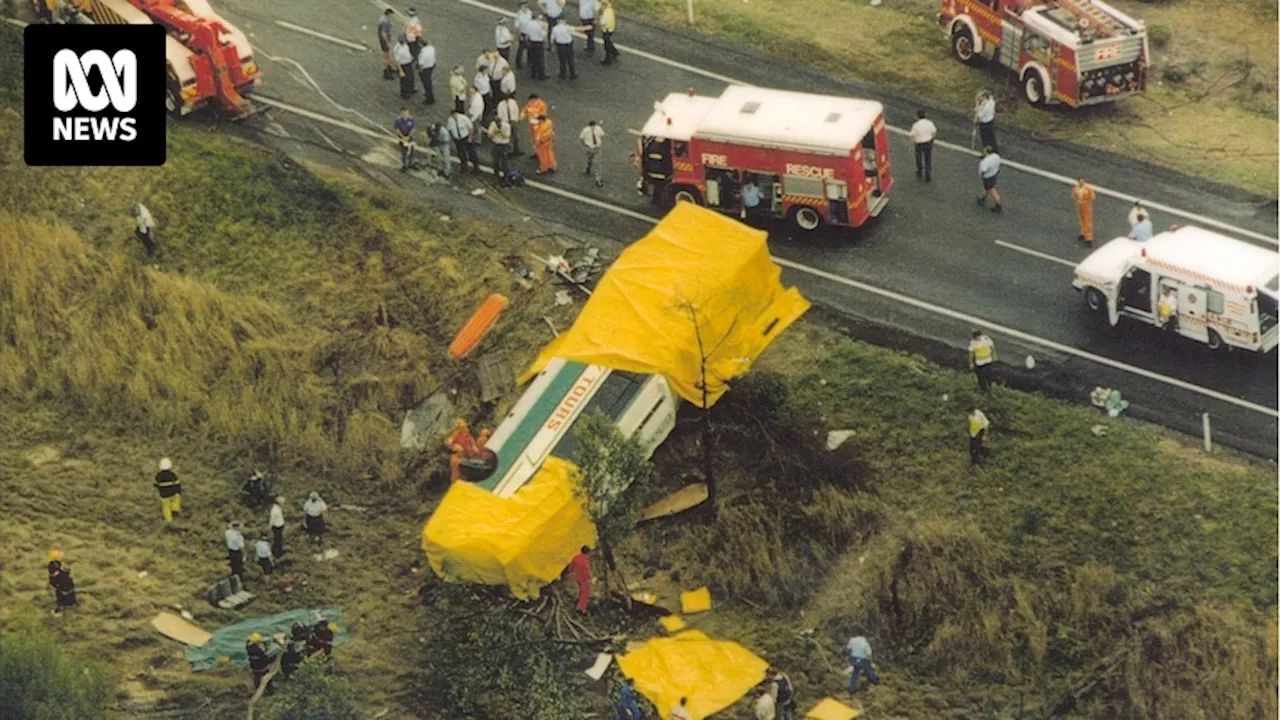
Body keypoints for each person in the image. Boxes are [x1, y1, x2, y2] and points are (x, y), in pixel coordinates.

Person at [908, 109, 937, 182]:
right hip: (928, 143)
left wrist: (910, 145)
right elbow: (934, 132)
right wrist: (932, 140)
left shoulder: (916, 125)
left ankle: (919, 169)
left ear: (917, 116)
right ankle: (928, 174)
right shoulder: (930, 123)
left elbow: (913, 137)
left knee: (918, 157)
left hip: (919, 145)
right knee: (928, 159)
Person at [447, 108, 478, 174]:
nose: (454, 117)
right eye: (452, 115)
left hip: (465, 138)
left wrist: (470, 138)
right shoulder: (450, 120)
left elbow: (471, 128)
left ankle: (476, 167)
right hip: (458, 140)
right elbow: (450, 130)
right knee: (461, 154)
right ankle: (464, 167)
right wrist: (453, 139)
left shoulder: (464, 118)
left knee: (471, 153)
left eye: (455, 115)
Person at [154, 456, 182, 523]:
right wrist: (178, 492)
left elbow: (156, 484)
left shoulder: (158, 475)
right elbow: (177, 484)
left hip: (164, 496)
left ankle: (168, 519)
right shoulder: (172, 475)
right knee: (176, 499)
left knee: (166, 507)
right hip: (173, 494)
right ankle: (175, 508)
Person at [976, 146, 1002, 212]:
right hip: (994, 174)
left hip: (988, 177)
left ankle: (998, 204)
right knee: (988, 188)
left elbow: (983, 171)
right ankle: (983, 197)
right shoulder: (996, 156)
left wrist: (981, 176)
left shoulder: (985, 162)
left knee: (991, 189)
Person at [487, 118, 513, 183]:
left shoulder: (506, 125)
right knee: (495, 161)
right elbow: (489, 135)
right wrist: (495, 132)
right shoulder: (493, 125)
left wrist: (501, 131)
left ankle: (506, 176)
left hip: (504, 145)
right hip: (496, 144)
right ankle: (496, 174)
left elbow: (507, 136)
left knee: (504, 162)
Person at [579, 119, 604, 187]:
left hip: (596, 148)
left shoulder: (598, 129)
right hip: (589, 148)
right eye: (591, 127)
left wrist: (599, 144)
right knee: (589, 160)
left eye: (594, 126)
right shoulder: (585, 130)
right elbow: (581, 138)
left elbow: (602, 135)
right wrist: (584, 146)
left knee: (597, 163)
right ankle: (588, 167)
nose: (593, 128)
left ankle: (598, 179)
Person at [524, 11, 548, 80]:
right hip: (539, 43)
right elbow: (543, 35)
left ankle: (533, 74)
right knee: (540, 60)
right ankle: (541, 75)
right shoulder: (538, 26)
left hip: (531, 42)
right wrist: (545, 28)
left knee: (533, 59)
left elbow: (527, 35)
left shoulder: (528, 24)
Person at [1072, 176, 1096, 245]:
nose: (1081, 182)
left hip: (1086, 205)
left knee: (1087, 220)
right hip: (1079, 204)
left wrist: (1087, 201)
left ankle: (1088, 237)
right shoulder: (1076, 188)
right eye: (1080, 181)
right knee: (1082, 219)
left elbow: (1092, 196)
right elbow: (1074, 195)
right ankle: (1083, 232)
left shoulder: (1087, 188)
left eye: (1082, 181)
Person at [497, 92, 522, 156]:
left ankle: (517, 150)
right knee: (508, 137)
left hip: (513, 121)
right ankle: (509, 151)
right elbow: (500, 115)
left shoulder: (513, 102)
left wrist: (516, 119)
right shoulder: (500, 105)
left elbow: (516, 110)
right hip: (506, 122)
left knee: (516, 136)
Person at [392, 34, 416, 100]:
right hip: (403, 65)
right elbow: (397, 61)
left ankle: (411, 89)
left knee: (411, 76)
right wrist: (401, 71)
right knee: (404, 80)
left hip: (408, 62)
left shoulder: (405, 45)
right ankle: (404, 93)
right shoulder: (398, 50)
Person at [568, 545, 591, 612]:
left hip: (577, 577)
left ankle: (579, 601)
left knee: (581, 590)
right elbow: (586, 571)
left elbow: (570, 568)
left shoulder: (575, 557)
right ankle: (581, 608)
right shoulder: (585, 561)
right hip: (583, 578)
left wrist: (573, 572)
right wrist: (590, 578)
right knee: (585, 592)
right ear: (587, 553)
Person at [394, 106, 417, 171]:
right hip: (402, 137)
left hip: (410, 137)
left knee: (412, 151)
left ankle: (411, 164)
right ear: (401, 113)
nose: (405, 114)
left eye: (407, 113)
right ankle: (405, 165)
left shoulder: (412, 119)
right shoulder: (398, 120)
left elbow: (413, 129)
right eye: (404, 113)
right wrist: (403, 137)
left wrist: (408, 136)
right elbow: (397, 129)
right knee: (404, 152)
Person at [514, 1, 534, 70]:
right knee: (521, 49)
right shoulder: (518, 15)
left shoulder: (529, 12)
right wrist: (519, 35)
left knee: (530, 47)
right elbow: (517, 27)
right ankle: (518, 63)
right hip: (522, 33)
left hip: (529, 32)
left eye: (526, 6)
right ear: (520, 7)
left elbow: (531, 22)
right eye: (523, 6)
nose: (525, 7)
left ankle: (530, 61)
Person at [377, 8, 395, 80]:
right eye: (391, 15)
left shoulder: (383, 18)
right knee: (386, 56)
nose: (391, 17)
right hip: (384, 40)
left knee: (387, 55)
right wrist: (387, 42)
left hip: (383, 40)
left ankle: (389, 67)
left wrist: (390, 24)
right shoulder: (384, 21)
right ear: (389, 14)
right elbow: (383, 33)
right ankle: (386, 73)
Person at [417, 40, 437, 105]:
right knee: (428, 81)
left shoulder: (422, 54)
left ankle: (430, 98)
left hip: (425, 69)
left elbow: (421, 65)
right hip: (432, 65)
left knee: (427, 83)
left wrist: (420, 72)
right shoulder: (431, 48)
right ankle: (429, 94)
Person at [599, 0, 619, 65]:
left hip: (606, 30)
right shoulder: (609, 9)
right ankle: (615, 52)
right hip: (610, 28)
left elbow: (602, 22)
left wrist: (597, 22)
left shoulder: (605, 13)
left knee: (606, 45)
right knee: (608, 42)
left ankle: (608, 60)